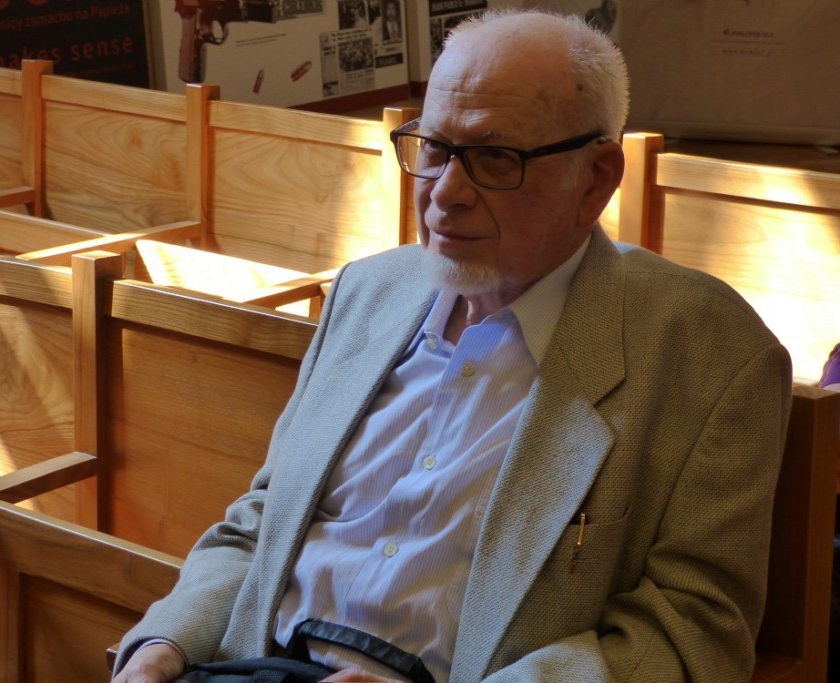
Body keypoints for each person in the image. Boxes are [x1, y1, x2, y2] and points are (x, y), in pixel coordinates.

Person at [112, 9, 792, 683]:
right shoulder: (367, 291)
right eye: (434, 149)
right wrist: (163, 644)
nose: (445, 194)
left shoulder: (707, 355)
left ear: (594, 179)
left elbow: (689, 633)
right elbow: (264, 519)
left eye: (495, 158)